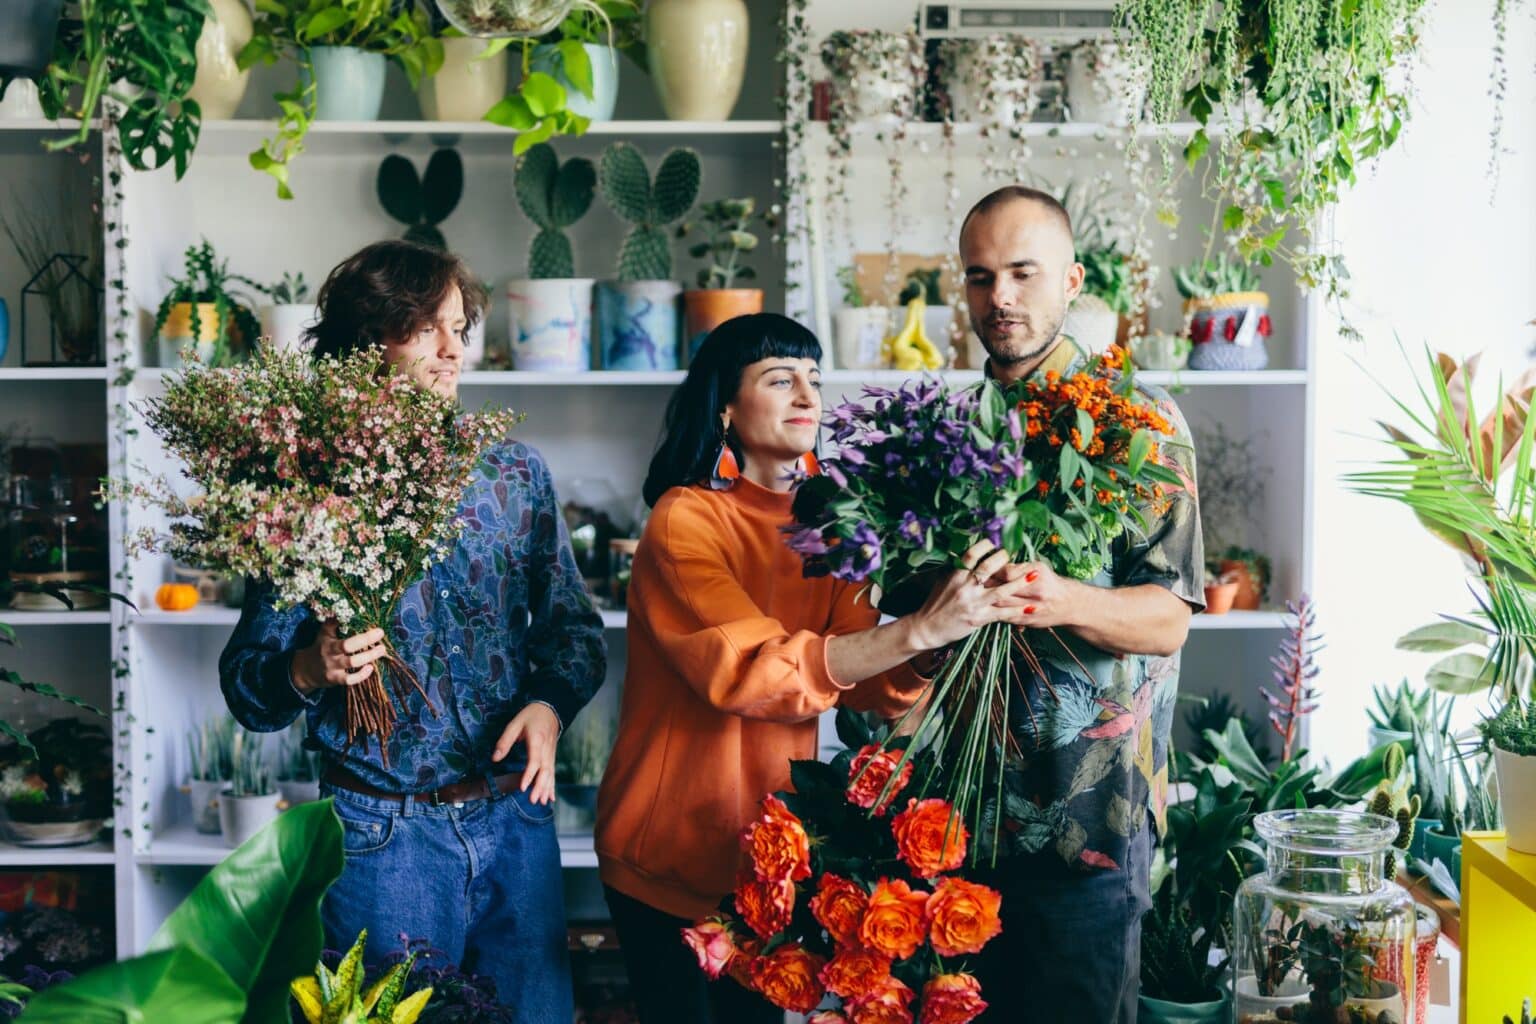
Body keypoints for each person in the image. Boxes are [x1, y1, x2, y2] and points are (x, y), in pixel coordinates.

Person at [594, 312, 1039, 1024]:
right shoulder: (685, 520)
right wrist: (919, 626)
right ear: (727, 409)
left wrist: (941, 634)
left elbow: (863, 681)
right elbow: (752, 672)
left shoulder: (835, 525)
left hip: (768, 860)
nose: (807, 395)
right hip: (667, 857)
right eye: (779, 379)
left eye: (813, 378)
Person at [218, 240, 606, 1024]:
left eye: (459, 327)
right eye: (425, 328)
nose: (452, 347)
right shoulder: (304, 483)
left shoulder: (514, 473)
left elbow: (574, 629)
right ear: (370, 342)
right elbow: (248, 687)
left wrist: (551, 706)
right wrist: (311, 666)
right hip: (377, 841)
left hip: (513, 823)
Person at [955, 185, 1205, 1023]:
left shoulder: (1138, 420)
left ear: (1072, 279)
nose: (1002, 298)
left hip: (1086, 828)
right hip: (953, 823)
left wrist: (1060, 598)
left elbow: (1170, 618)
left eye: (1023, 272)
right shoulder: (951, 428)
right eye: (981, 277)